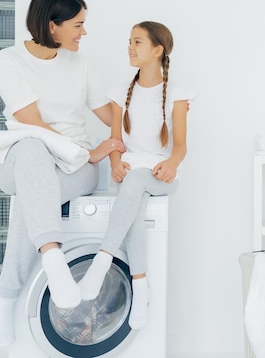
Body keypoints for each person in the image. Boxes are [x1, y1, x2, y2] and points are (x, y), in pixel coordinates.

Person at [0, 0, 124, 346]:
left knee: (34, 205)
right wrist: (86, 154)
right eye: (78, 24)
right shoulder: (8, 61)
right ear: (52, 26)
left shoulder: (79, 63)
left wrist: (145, 114)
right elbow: (30, 122)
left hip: (76, 169)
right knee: (32, 146)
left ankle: (7, 299)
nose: (84, 32)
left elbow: (111, 115)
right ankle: (54, 258)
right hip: (24, 161)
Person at [77, 21, 195, 330]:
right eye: (129, 41)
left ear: (158, 50)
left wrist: (171, 163)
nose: (130, 47)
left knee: (139, 179)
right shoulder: (120, 93)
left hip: (160, 174)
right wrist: (115, 162)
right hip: (129, 175)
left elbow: (180, 146)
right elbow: (116, 141)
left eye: (138, 42)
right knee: (135, 206)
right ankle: (140, 284)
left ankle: (102, 261)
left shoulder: (178, 95)